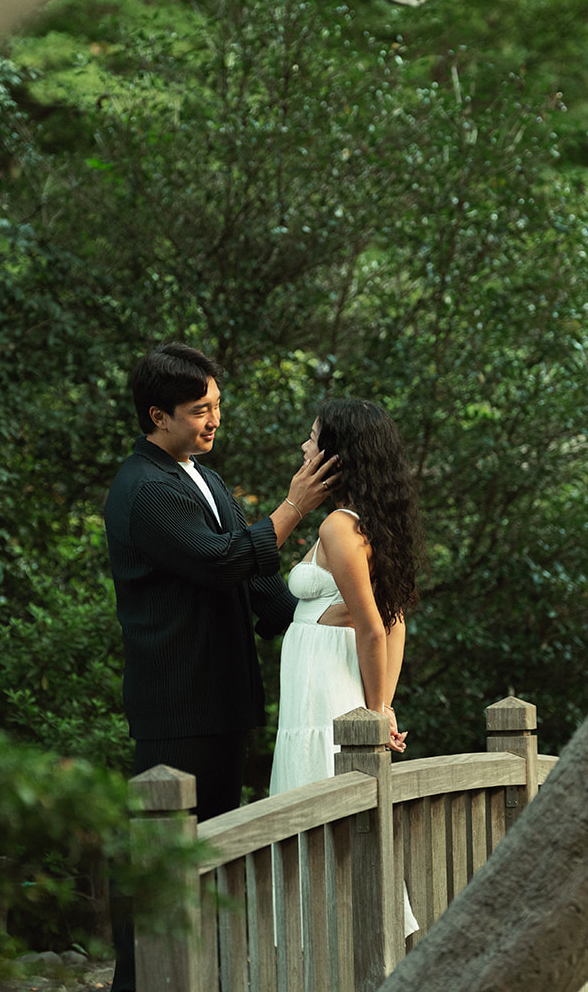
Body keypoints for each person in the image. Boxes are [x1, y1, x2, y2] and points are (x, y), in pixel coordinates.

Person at [104, 342, 337, 991]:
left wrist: (322, 626)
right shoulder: (144, 487)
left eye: (216, 406)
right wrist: (293, 507)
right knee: (163, 868)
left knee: (212, 865)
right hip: (176, 707)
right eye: (199, 409)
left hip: (225, 699)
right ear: (158, 414)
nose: (213, 420)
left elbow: (252, 584)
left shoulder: (201, 475)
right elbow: (220, 560)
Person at [268, 397, 427, 933]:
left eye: (313, 439)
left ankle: (324, 931)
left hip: (323, 685)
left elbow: (376, 625)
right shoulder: (365, 521)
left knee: (321, 792)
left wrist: (379, 709)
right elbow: (391, 620)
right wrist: (381, 703)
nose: (304, 447)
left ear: (336, 455)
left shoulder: (340, 526)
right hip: (329, 677)